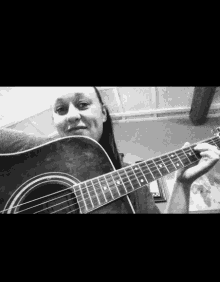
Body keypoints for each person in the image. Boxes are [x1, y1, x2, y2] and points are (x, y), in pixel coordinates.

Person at [0, 87, 219, 213]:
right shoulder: (29, 153)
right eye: (60, 109)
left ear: (104, 114)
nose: (72, 115)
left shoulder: (133, 184)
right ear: (55, 121)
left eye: (83, 104)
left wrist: (183, 183)